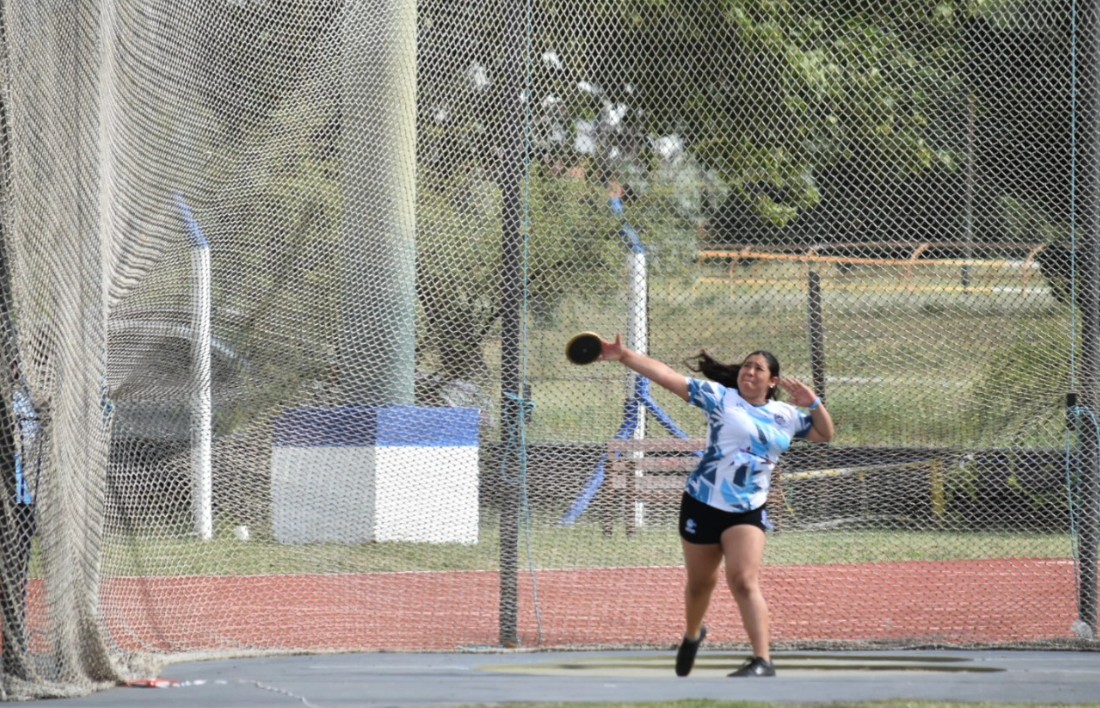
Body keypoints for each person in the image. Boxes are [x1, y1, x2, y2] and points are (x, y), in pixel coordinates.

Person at [595, 333, 834, 678]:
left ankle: (762, 661)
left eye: (758, 368)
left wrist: (813, 404)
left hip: (747, 510)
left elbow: (825, 434)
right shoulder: (720, 398)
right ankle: (693, 634)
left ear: (772, 381)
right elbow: (666, 375)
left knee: (743, 580)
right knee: (699, 584)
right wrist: (624, 355)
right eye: (746, 366)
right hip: (703, 503)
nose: (749, 372)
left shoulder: (786, 415)